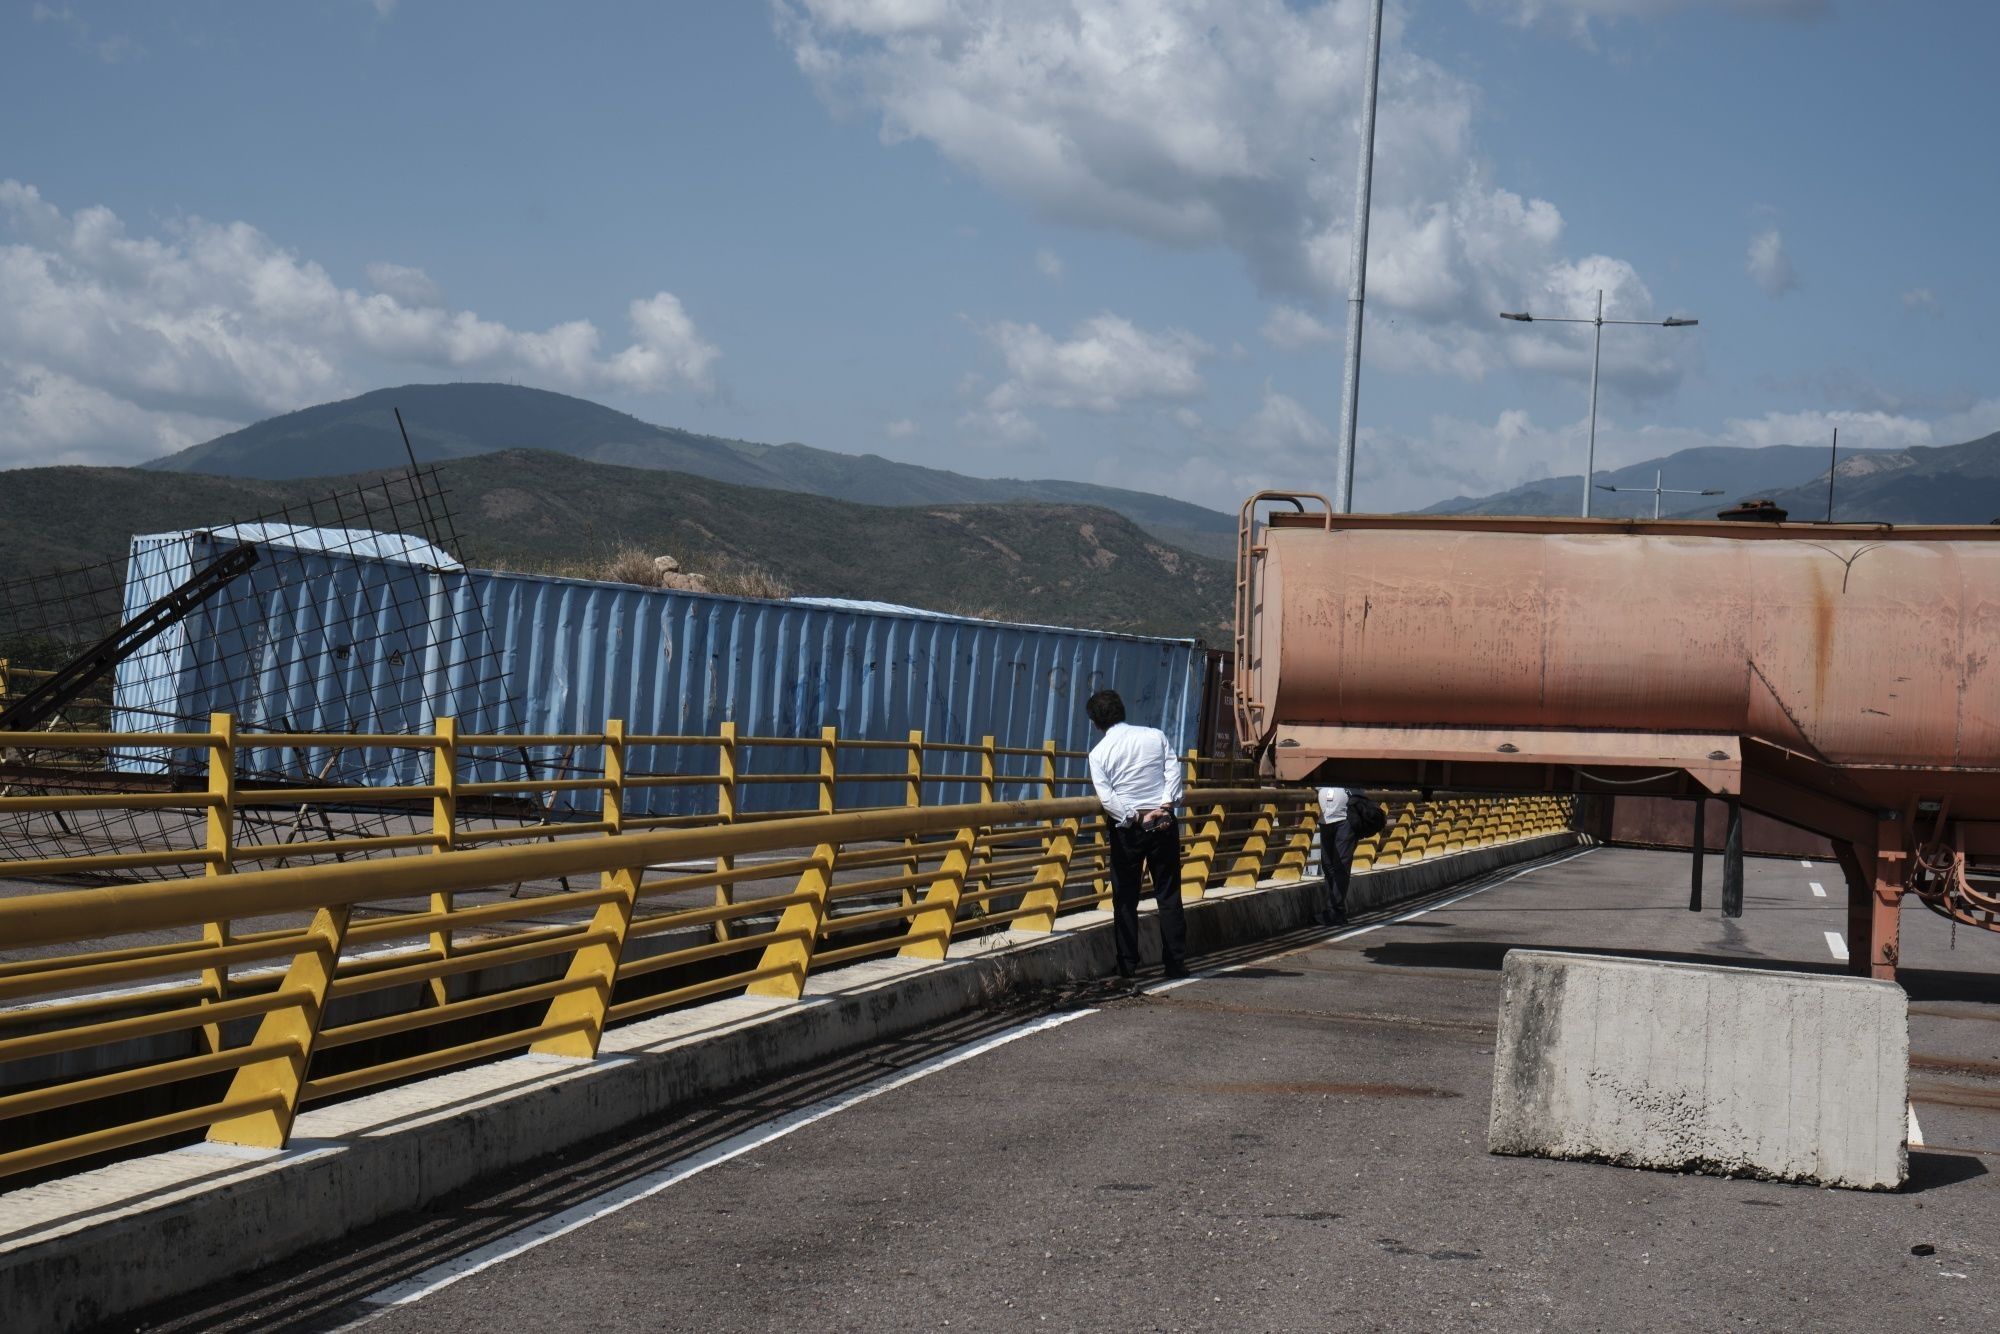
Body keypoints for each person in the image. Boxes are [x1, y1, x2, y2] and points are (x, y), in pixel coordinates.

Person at [1085, 688, 1188, 979]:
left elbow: (1107, 799)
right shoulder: (1155, 736)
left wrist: (1135, 817)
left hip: (1128, 830)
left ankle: (1128, 966)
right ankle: (1176, 962)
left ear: (1095, 723)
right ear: (1123, 711)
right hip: (1163, 822)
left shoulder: (1099, 753)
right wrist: (1165, 806)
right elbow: (1173, 772)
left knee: (1126, 899)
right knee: (1168, 894)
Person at [1316, 783, 1355, 927]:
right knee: (1328, 866)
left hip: (1345, 819)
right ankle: (1332, 910)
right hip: (1325, 820)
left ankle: (1337, 912)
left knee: (1341, 866)